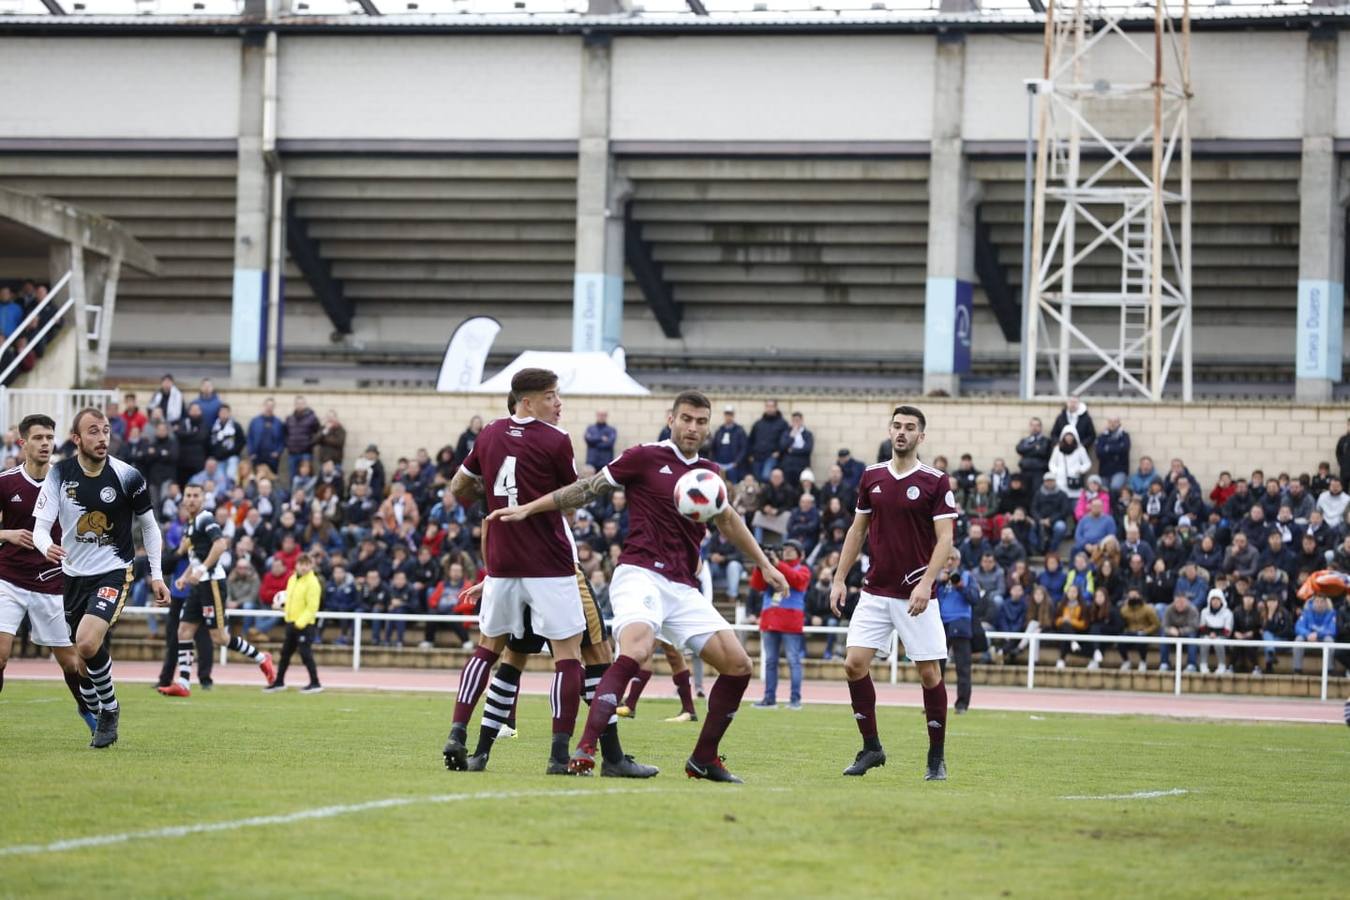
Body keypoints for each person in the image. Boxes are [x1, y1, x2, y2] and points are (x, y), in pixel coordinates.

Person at [491, 389, 787, 782]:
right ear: (671, 419)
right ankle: (587, 747)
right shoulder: (644, 456)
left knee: (738, 666)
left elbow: (728, 521)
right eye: (686, 419)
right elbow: (588, 488)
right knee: (637, 648)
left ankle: (704, 758)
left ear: (708, 426)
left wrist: (765, 564)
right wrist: (532, 506)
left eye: (700, 421)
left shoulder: (709, 475)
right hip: (639, 573)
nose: (693, 427)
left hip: (683, 587)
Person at [446, 370, 657, 778]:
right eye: (550, 396)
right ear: (526, 402)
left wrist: (491, 565)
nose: (558, 403)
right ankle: (578, 755)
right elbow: (569, 499)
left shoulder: (488, 434)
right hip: (553, 565)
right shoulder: (555, 440)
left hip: (505, 566)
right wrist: (533, 505)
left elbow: (461, 488)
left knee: (503, 653)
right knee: (585, 655)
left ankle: (471, 743)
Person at [830, 405, 958, 781]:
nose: (902, 432)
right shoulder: (871, 476)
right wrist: (840, 579)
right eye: (897, 426)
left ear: (922, 436)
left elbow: (945, 539)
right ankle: (872, 748)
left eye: (910, 427)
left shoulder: (936, 481)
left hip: (915, 593)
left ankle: (936, 758)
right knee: (853, 664)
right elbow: (857, 531)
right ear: (890, 431)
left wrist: (925, 583)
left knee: (930, 674)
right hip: (875, 590)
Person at [33, 408, 171, 748]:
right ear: (77, 439)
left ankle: (110, 710)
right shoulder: (59, 474)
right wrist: (45, 545)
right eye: (93, 431)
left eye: (106, 430)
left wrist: (157, 575)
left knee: (87, 642)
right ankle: (96, 707)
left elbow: (150, 527)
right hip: (72, 576)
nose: (102, 437)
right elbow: (39, 526)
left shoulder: (127, 476)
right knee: (82, 665)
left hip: (114, 570)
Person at [0, 414, 96, 732]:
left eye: (49, 437)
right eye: (38, 438)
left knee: (70, 663)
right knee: (0, 655)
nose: (45, 443)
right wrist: (8, 534)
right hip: (9, 578)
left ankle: (88, 711)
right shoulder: (6, 482)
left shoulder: (68, 482)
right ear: (22, 442)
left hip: (50, 582)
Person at [157, 484, 275, 697]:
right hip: (199, 585)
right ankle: (183, 684)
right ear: (183, 500)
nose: (191, 499)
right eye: (188, 495)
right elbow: (197, 557)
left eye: (196, 496)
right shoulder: (191, 525)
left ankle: (261, 658)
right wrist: (184, 578)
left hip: (212, 584)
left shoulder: (204, 518)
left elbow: (220, 545)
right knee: (184, 631)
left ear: (202, 499)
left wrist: (201, 570)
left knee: (220, 638)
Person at [750, 540, 811, 710]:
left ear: (801, 554)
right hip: (770, 619)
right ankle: (769, 699)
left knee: (793, 660)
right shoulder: (773, 568)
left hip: (790, 620)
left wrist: (777, 564)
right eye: (785, 550)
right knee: (770, 661)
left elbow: (796, 580)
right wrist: (760, 564)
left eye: (792, 550)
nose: (787, 552)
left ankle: (795, 700)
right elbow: (757, 585)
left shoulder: (803, 569)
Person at [264, 552, 323, 693]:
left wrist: (300, 623)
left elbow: (312, 607)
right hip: (291, 623)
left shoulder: (313, 583)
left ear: (311, 565)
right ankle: (279, 682)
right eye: (301, 564)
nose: (303, 567)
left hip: (304, 625)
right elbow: (291, 600)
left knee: (305, 654)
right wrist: (281, 607)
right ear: (296, 565)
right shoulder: (292, 579)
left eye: (307, 564)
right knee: (285, 654)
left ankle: (315, 683)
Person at [936, 552, 974, 713]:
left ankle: (962, 704)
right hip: (939, 623)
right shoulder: (937, 576)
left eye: (953, 559)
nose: (950, 561)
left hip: (960, 621)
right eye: (947, 558)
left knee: (963, 667)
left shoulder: (967, 575)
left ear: (958, 560)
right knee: (936, 667)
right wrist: (938, 582)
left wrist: (961, 586)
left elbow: (975, 598)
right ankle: (935, 703)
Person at [1292, 594, 1337, 674]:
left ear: (1325, 603)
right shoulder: (1306, 611)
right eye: (1317, 601)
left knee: (1329, 640)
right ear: (1313, 602)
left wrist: (1317, 634)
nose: (1319, 604)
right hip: (1308, 637)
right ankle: (1297, 670)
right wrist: (1308, 634)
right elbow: (1298, 627)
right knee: (1298, 639)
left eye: (1321, 602)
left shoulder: (1331, 613)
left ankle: (1329, 671)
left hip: (1323, 637)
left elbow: (1332, 630)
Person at [747, 399, 789, 482]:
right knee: (756, 480)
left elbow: (786, 441)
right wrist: (750, 454)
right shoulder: (758, 424)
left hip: (771, 457)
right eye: (768, 406)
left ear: (776, 408)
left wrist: (779, 452)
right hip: (757, 457)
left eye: (772, 406)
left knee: (766, 477)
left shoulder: (782, 424)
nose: (769, 409)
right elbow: (751, 439)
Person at [1157, 592, 1200, 673]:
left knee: (1192, 636)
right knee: (1163, 634)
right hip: (1172, 633)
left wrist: (1180, 631)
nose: (1180, 605)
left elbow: (1194, 627)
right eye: (1177, 602)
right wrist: (1170, 630)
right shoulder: (1169, 609)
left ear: (1187, 602)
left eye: (1182, 602)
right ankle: (1164, 663)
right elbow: (1164, 625)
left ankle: (1191, 665)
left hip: (1186, 634)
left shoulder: (1193, 610)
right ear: (1174, 601)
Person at [1118, 590, 1160, 671]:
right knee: (1120, 641)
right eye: (1131, 596)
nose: (1133, 598)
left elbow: (1156, 624)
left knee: (1141, 640)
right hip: (1130, 632)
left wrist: (1146, 631)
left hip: (1144, 632)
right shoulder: (1124, 610)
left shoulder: (1148, 609)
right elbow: (1121, 623)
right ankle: (1126, 661)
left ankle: (1143, 661)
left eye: (1135, 595)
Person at [1196, 588, 1234, 674]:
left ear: (1222, 600)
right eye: (1213, 599)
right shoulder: (1204, 612)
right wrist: (1210, 634)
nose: (1215, 602)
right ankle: (1203, 664)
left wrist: (1216, 634)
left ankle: (1222, 665)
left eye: (1217, 599)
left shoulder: (1228, 613)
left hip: (1222, 636)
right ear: (1209, 601)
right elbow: (1202, 627)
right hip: (1207, 635)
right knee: (1204, 641)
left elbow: (1228, 631)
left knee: (1218, 642)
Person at [283, 396, 321, 482]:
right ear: (295, 405)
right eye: (298, 403)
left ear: (305, 404)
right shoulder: (289, 419)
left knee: (306, 477)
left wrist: (310, 443)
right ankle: (294, 495)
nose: (300, 405)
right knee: (292, 477)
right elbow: (285, 433)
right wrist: (288, 444)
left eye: (302, 403)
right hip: (292, 454)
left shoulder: (312, 418)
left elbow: (318, 433)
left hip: (306, 453)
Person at [711, 405, 748, 483]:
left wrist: (736, 462)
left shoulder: (739, 431)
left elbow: (744, 448)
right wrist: (714, 461)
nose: (728, 417)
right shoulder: (719, 430)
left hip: (732, 466)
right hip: (719, 465)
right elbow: (713, 447)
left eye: (730, 414)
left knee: (733, 486)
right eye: (727, 414)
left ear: (733, 415)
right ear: (724, 415)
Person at [1015, 417, 1052, 488]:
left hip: (1039, 472)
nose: (1034, 427)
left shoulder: (1046, 441)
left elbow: (1042, 452)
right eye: (1032, 425)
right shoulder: (1025, 440)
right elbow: (1019, 449)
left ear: (1041, 427)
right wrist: (1034, 447)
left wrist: (1026, 451)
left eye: (1037, 425)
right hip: (1025, 471)